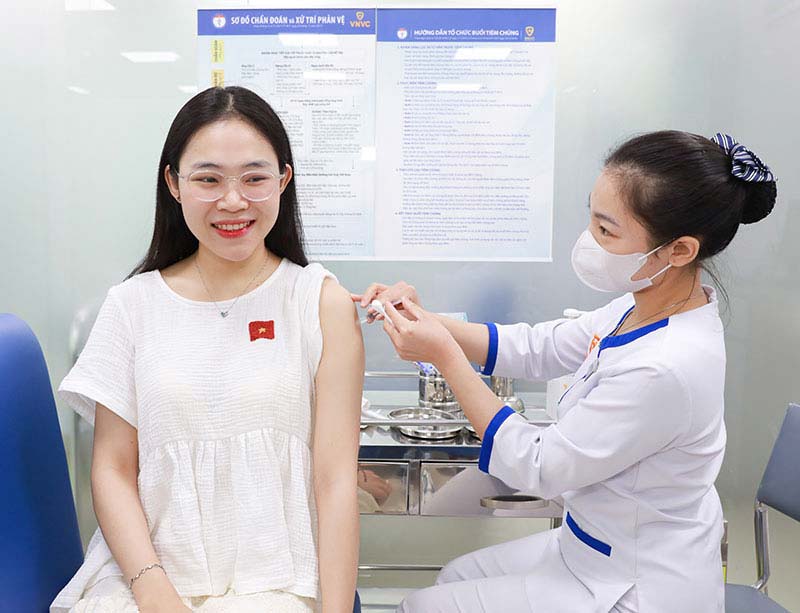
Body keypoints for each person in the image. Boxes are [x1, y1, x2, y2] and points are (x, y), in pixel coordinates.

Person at [355, 131, 777, 612]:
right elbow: (540, 347)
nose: (589, 241)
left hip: (634, 581)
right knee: (457, 574)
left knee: (420, 608)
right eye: (592, 218)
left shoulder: (666, 365)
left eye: (607, 231)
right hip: (594, 543)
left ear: (677, 251)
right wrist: (426, 319)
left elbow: (539, 466)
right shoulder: (646, 306)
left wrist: (445, 357)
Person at [51, 86, 364, 613]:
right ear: (174, 184)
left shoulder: (319, 303)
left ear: (283, 180)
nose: (233, 201)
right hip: (141, 578)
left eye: (254, 178)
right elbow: (111, 470)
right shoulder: (131, 305)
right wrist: (154, 592)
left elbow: (335, 483)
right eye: (209, 179)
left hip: (274, 582)